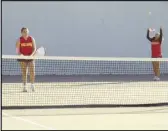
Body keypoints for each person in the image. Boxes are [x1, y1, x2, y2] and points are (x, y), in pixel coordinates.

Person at [16, 27, 36, 92]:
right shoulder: (19, 40)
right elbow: (17, 50)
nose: (26, 33)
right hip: (22, 58)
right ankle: (24, 87)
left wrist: (31, 55)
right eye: (24, 31)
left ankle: (32, 85)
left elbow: (34, 48)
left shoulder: (31, 39)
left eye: (27, 31)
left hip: (30, 57)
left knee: (32, 71)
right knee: (24, 72)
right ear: (21, 33)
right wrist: (21, 55)